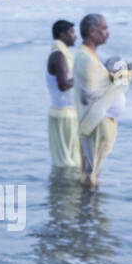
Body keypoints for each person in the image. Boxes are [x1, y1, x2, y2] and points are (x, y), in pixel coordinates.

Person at [73, 13, 132, 188]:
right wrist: (124, 75)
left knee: (91, 175)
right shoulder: (87, 59)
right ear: (92, 31)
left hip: (100, 123)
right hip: (97, 125)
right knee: (89, 178)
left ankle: (89, 210)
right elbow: (94, 93)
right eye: (104, 28)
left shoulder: (90, 56)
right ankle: (88, 212)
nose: (107, 32)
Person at [46, 19, 80, 168]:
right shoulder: (59, 56)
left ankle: (65, 189)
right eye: (72, 32)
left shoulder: (60, 54)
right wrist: (82, 78)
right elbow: (63, 85)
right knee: (67, 162)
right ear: (63, 35)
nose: (75, 36)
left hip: (65, 113)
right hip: (63, 114)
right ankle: (64, 190)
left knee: (69, 159)